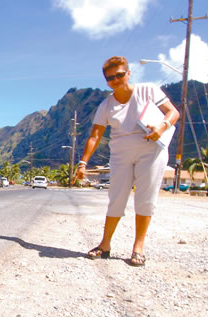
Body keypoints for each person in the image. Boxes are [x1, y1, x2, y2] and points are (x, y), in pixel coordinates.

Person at [73, 56, 180, 266]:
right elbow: (94, 136)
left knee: (145, 198)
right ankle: (105, 245)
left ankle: (138, 248)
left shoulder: (148, 90)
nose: (115, 80)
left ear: (128, 74)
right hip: (120, 155)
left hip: (151, 151)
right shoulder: (106, 105)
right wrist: (83, 163)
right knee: (117, 197)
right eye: (110, 77)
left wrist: (162, 126)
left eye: (119, 75)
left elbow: (173, 112)